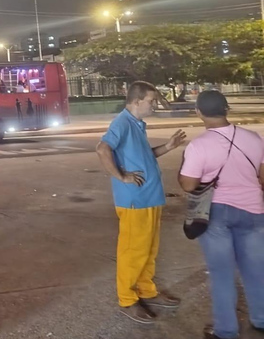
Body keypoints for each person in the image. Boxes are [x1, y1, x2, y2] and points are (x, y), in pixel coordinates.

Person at [96, 81, 186, 324]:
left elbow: (145, 156)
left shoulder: (136, 124)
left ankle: (147, 290)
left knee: (149, 250)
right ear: (136, 102)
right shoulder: (122, 123)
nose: (153, 105)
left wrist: (168, 146)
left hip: (150, 198)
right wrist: (122, 177)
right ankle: (127, 299)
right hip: (135, 200)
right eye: (151, 101)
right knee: (132, 251)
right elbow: (103, 149)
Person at [178, 90, 264, 339]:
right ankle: (261, 319)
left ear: (199, 112)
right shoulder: (254, 138)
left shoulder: (199, 145)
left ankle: (226, 330)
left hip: (216, 213)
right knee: (256, 270)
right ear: (227, 109)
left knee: (222, 273)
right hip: (254, 210)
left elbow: (188, 185)